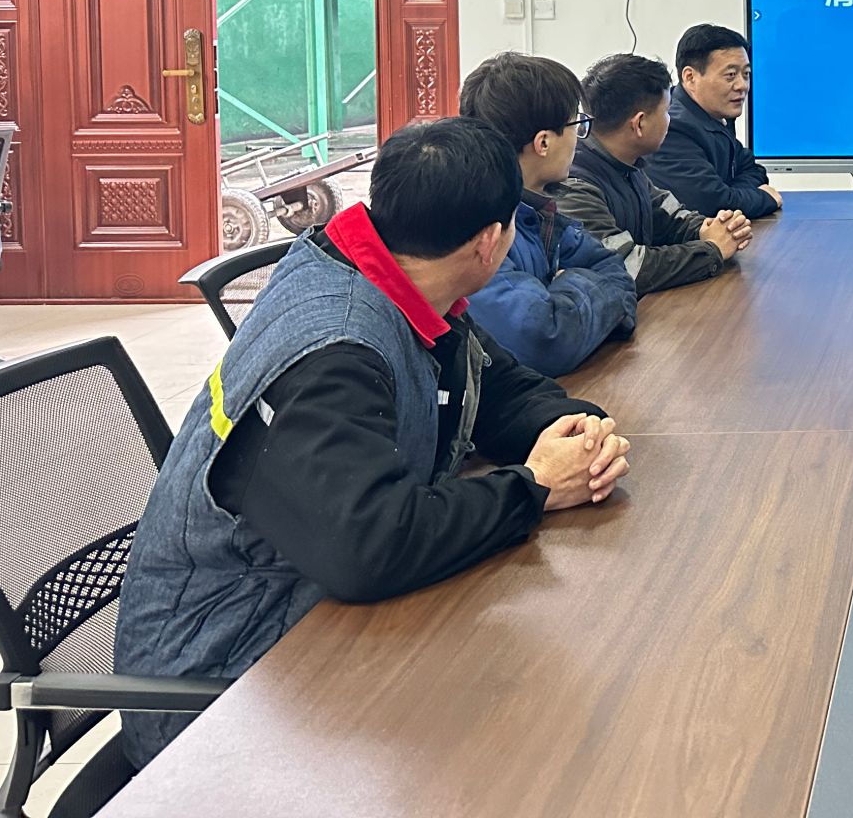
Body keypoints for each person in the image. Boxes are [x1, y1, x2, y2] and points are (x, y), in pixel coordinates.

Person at [114, 118, 630, 768]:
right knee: (528, 744)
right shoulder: (337, 349)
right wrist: (535, 489)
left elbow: (496, 387)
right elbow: (366, 547)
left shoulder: (404, 280)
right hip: (222, 686)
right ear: (489, 243)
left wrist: (574, 431)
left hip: (308, 624)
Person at [458, 52, 637, 376]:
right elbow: (543, 339)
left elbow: (615, 272)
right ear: (543, 143)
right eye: (577, 125)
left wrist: (561, 293)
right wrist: (574, 287)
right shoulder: (479, 225)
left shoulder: (540, 210)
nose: (579, 138)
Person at [553, 52, 754, 297]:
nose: (670, 119)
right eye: (667, 111)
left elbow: (668, 214)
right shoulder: (575, 185)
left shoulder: (628, 164)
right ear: (639, 124)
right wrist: (711, 250)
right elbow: (627, 266)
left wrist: (708, 228)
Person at [647, 24, 783, 220]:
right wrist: (764, 198)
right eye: (730, 75)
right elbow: (710, 204)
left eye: (746, 74)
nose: (742, 85)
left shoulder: (714, 117)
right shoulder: (672, 127)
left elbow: (753, 169)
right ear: (690, 77)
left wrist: (731, 192)